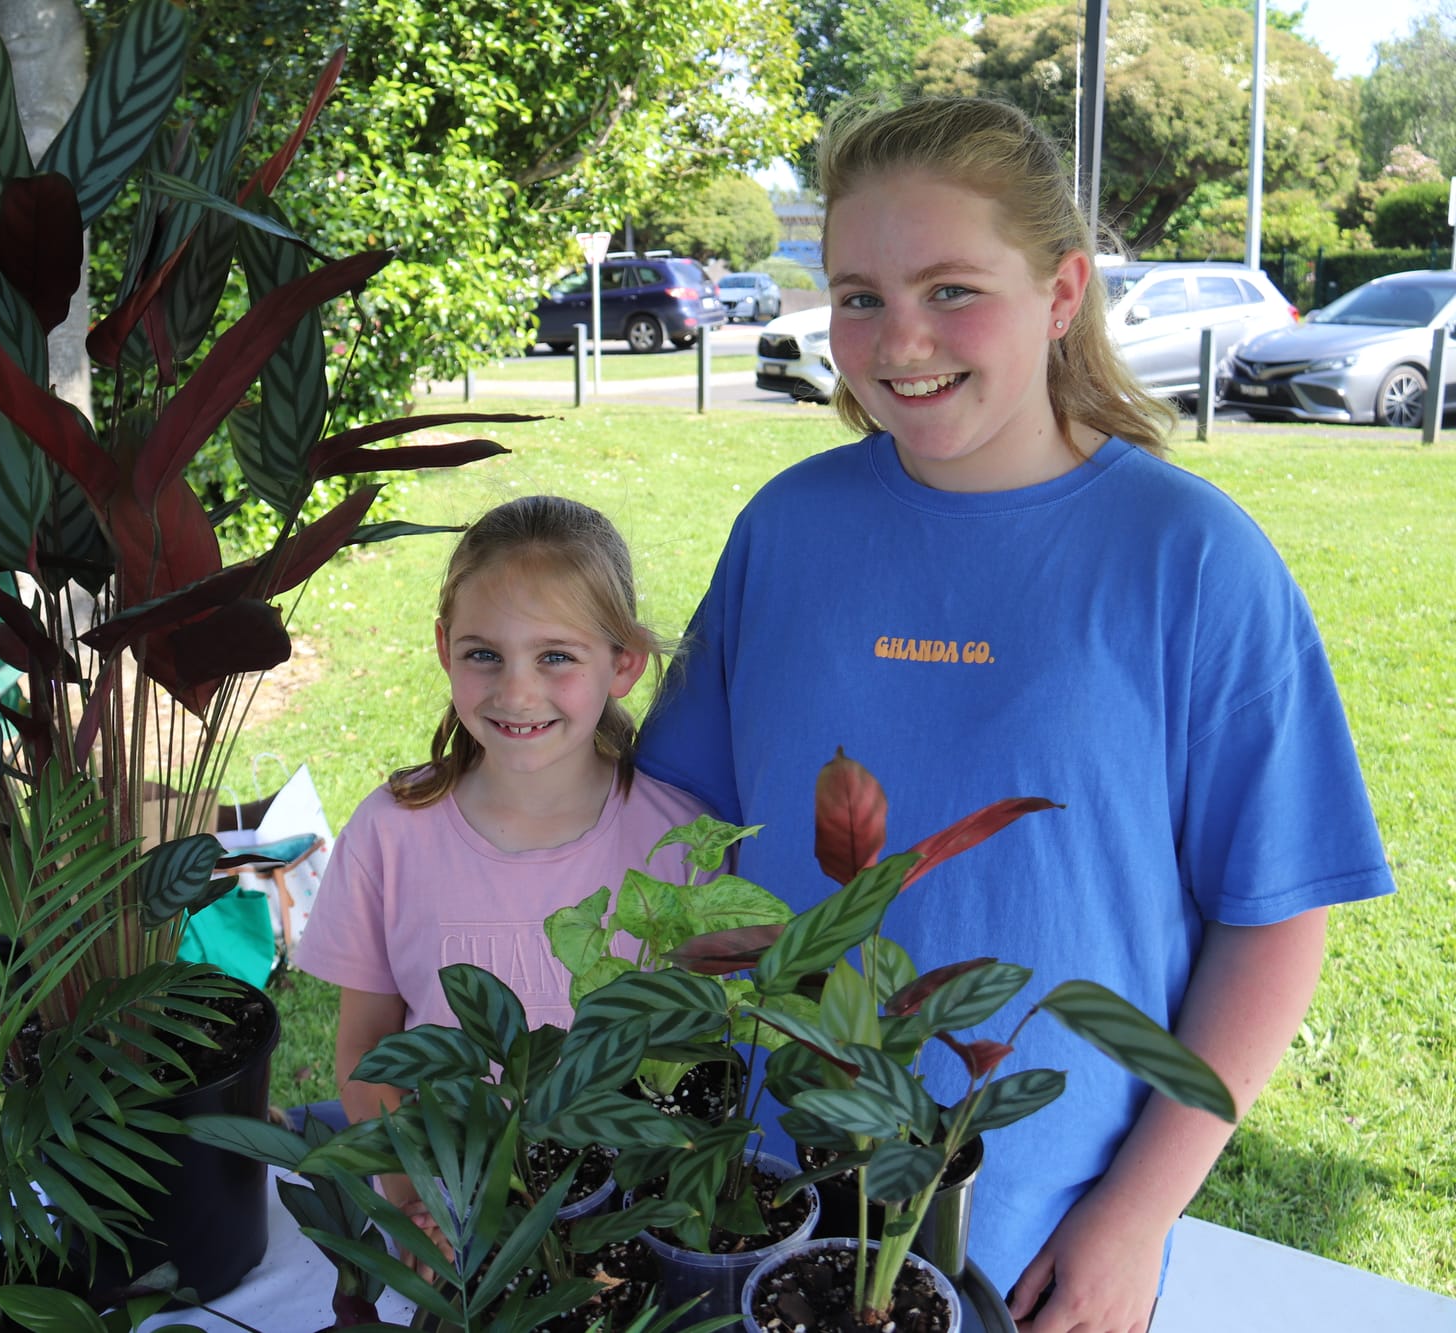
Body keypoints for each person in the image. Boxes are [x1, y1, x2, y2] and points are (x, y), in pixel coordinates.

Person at [635, 96, 1393, 1333]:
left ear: (1059, 293)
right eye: (858, 294)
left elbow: (1273, 921)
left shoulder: (1189, 558)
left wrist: (1134, 1218)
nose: (895, 339)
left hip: (1044, 1226)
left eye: (949, 288)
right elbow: (676, 818)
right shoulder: (783, 529)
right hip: (769, 1197)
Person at [294, 494, 707, 1259]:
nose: (516, 692)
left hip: (622, 1233)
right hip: (456, 1221)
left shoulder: (679, 844)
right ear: (446, 646)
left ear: (623, 662)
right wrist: (412, 1192)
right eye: (485, 653)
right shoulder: (391, 831)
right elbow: (364, 1047)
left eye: (556, 655)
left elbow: (701, 1069)